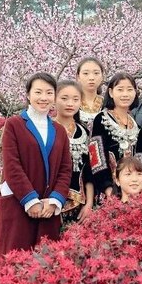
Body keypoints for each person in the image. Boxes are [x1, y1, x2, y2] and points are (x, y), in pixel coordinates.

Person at [0, 73, 71, 260]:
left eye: (49, 93)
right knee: (14, 264)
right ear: (28, 95)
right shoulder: (14, 125)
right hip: (18, 205)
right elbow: (12, 165)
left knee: (46, 265)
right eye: (38, 92)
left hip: (48, 210)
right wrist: (30, 200)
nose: (43, 97)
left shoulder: (59, 130)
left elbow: (65, 169)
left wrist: (54, 201)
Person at [90, 72, 140, 199]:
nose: (125, 94)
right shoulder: (101, 119)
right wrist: (108, 188)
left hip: (133, 191)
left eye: (129, 90)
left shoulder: (134, 123)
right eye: (120, 89)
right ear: (111, 92)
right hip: (109, 192)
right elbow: (96, 159)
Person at [53, 80, 96, 227]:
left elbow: (90, 170)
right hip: (51, 201)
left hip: (80, 203)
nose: (70, 103)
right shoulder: (47, 129)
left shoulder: (86, 132)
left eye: (75, 99)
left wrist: (89, 203)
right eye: (64, 98)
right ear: (54, 99)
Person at [75, 57, 106, 130]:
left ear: (102, 76)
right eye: (86, 73)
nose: (91, 78)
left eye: (96, 73)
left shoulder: (108, 104)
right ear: (78, 77)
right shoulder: (71, 103)